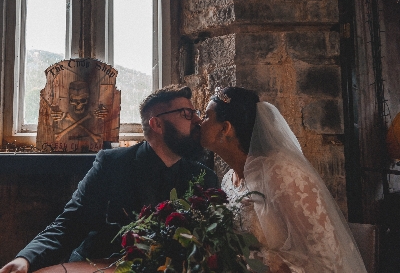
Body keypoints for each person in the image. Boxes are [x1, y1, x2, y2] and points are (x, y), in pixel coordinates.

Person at [0, 85, 218, 273]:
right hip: (97, 266)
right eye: (186, 113)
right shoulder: (112, 164)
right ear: (157, 124)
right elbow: (70, 223)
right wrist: (25, 258)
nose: (198, 120)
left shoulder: (204, 178)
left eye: (195, 112)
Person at [200, 86, 367, 273]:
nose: (200, 121)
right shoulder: (228, 180)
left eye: (206, 116)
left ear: (225, 128)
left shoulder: (281, 174)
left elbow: (326, 256)